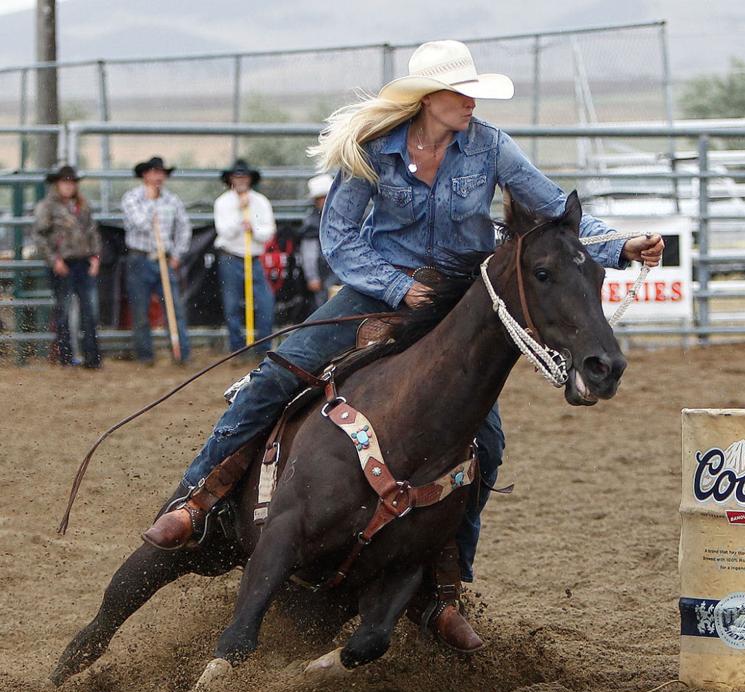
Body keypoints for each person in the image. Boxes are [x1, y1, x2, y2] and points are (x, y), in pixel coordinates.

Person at [142, 40, 664, 652]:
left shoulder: (491, 147)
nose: (471, 102)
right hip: (374, 289)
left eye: (472, 93)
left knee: (485, 444)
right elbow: (338, 240)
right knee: (274, 381)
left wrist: (622, 246)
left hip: (462, 299)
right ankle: (197, 499)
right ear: (427, 100)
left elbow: (554, 211)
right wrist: (397, 285)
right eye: (460, 92)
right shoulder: (372, 152)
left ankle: (444, 589)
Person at [120, 156, 192, 365]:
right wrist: (151, 203)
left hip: (164, 259)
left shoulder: (172, 200)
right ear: (145, 175)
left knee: (174, 309)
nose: (158, 176)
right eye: (154, 172)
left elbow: (184, 227)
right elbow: (140, 223)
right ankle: (145, 356)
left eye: (161, 172)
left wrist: (177, 254)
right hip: (139, 259)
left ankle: (181, 354)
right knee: (140, 311)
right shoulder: (132, 198)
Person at [32, 165, 103, 369]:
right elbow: (39, 235)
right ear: (58, 184)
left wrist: (95, 257)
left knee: (89, 311)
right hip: (63, 263)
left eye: (72, 182)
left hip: (83, 262)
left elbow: (93, 233)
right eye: (65, 181)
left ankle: (92, 357)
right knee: (64, 311)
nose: (69, 185)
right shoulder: (47, 207)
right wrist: (54, 259)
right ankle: (66, 356)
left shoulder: (82, 206)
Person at [214, 159, 277, 356]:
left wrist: (254, 229)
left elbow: (269, 232)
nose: (241, 179)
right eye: (237, 176)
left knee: (265, 302)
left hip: (254, 258)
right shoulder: (222, 202)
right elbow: (224, 231)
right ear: (231, 179)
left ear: (250, 179)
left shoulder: (261, 202)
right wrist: (240, 217)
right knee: (231, 304)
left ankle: (263, 349)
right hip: (230, 257)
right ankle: (237, 350)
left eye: (244, 176)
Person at [298, 173, 335, 308]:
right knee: (324, 308)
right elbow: (309, 254)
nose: (325, 201)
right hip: (323, 272)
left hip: (341, 271)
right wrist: (312, 277)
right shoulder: (312, 223)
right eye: (321, 197)